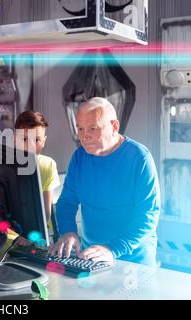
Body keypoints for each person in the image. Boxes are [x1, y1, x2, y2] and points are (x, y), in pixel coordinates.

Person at [49, 97, 160, 266]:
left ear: (114, 126)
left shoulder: (140, 158)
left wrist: (112, 249)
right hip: (91, 257)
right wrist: (68, 231)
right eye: (80, 129)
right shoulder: (79, 157)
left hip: (133, 260)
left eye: (92, 128)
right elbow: (66, 202)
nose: (84, 137)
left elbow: (148, 216)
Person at [0, 111, 61, 242]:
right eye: (24, 139)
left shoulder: (48, 165)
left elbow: (45, 215)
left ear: (44, 141)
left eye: (37, 140)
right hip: (5, 239)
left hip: (36, 240)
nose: (31, 145)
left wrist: (29, 239)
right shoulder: (1, 164)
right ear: (15, 139)